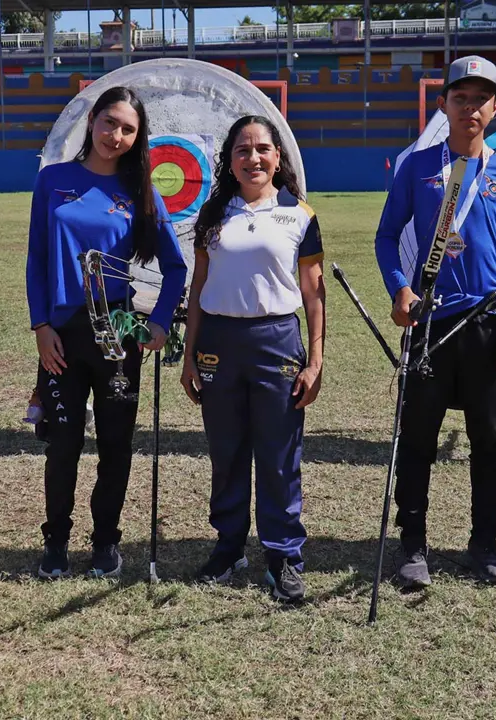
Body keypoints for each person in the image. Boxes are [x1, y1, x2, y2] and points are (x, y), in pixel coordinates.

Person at [373, 56, 496, 588]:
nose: (471, 107)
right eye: (460, 98)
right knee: (418, 438)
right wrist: (400, 290)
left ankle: (484, 544)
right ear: (444, 105)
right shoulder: (418, 166)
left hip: (487, 325)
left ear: (495, 108)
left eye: (481, 98)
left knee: (488, 439)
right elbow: (386, 237)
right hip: (431, 323)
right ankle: (411, 545)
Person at [26, 86, 187, 580]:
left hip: (117, 334)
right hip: (62, 334)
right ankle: (55, 542)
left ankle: (105, 541)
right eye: (109, 122)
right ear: (92, 120)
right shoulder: (53, 180)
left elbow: (176, 268)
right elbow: (35, 259)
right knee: (64, 443)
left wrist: (157, 321)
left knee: (115, 443)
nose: (115, 135)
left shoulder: (141, 191)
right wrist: (41, 327)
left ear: (138, 138)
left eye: (128, 129)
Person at [179, 116, 325, 604]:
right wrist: (189, 355)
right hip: (218, 340)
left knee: (279, 453)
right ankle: (228, 546)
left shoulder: (300, 214)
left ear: (278, 157)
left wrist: (316, 360)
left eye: (263, 149)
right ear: (230, 160)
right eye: (243, 150)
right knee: (227, 451)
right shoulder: (213, 212)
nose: (253, 158)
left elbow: (313, 293)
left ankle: (283, 554)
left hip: (276, 341)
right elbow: (198, 287)